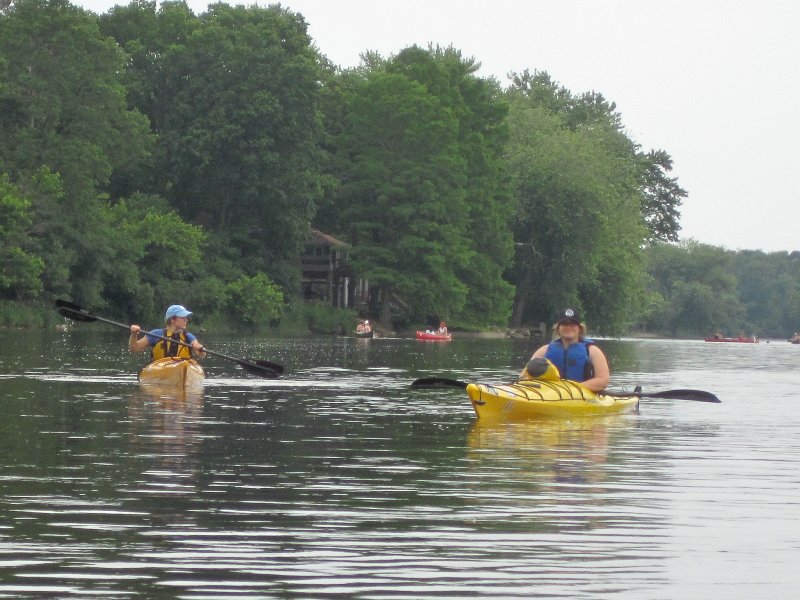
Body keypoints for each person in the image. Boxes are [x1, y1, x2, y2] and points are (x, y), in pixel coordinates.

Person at [520, 307, 610, 392]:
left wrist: (570, 389)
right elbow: (523, 376)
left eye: (572, 324)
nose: (568, 327)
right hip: (548, 393)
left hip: (583, 395)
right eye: (564, 324)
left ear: (579, 328)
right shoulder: (544, 350)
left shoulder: (592, 351)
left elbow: (603, 381)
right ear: (558, 328)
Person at [129, 304, 206, 361]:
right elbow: (134, 348)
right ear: (173, 319)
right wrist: (134, 334)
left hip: (182, 367)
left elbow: (201, 354)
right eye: (182, 317)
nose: (186, 320)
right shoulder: (156, 334)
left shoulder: (189, 336)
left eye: (186, 317)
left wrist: (200, 349)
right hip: (159, 369)